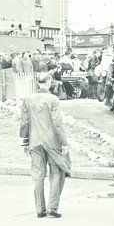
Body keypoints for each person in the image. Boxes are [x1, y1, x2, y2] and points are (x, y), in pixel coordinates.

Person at [19, 72, 71, 218]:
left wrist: (24, 142)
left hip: (34, 142)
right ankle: (52, 207)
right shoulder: (53, 99)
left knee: (38, 175)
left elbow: (24, 122)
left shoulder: (27, 99)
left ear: (38, 83)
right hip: (52, 142)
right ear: (48, 83)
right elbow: (57, 123)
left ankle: (40, 209)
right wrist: (64, 143)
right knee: (56, 172)